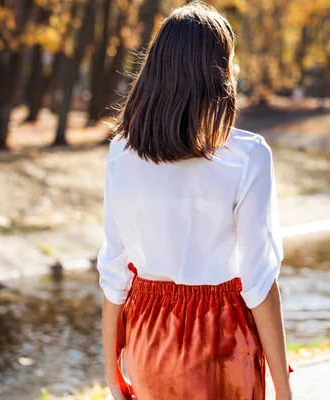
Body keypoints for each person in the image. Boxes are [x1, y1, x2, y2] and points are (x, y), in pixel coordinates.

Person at [98, 3, 292, 399]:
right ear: (221, 72)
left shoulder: (122, 151)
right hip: (220, 335)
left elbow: (115, 271)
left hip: (147, 336)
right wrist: (284, 389)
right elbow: (259, 281)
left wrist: (110, 369)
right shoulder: (247, 155)